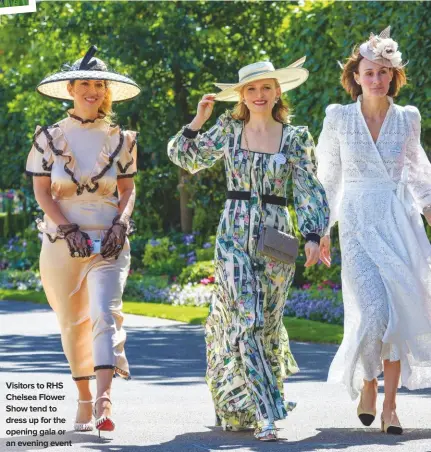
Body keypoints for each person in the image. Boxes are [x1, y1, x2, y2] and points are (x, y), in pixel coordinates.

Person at [168, 58, 329, 441]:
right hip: (234, 234)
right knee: (246, 318)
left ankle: (242, 403)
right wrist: (198, 120)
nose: (259, 95)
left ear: (278, 92)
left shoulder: (295, 138)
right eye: (251, 89)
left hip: (277, 236)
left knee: (267, 323)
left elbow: (309, 189)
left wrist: (312, 234)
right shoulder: (228, 129)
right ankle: (265, 413)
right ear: (242, 95)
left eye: (266, 87)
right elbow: (183, 156)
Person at [316, 26, 431, 435]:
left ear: (393, 75)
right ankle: (368, 381)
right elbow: (328, 179)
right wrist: (320, 230)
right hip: (359, 223)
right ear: (356, 76)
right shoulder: (338, 118)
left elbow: (419, 176)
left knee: (398, 314)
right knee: (375, 312)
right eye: (370, 72)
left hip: (401, 223)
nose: (377, 79)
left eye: (384, 72)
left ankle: (392, 408)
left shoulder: (408, 118)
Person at [26, 45, 140, 435]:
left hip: (108, 240)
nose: (92, 90)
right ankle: (84, 398)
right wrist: (68, 228)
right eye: (85, 83)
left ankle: (106, 399)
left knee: (104, 313)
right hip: (61, 243)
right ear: (71, 88)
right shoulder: (48, 138)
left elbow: (127, 190)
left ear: (106, 92)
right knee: (73, 322)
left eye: (99, 84)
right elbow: (42, 192)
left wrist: (121, 223)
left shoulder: (121, 138)